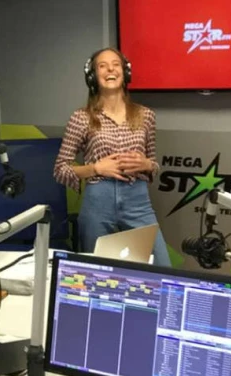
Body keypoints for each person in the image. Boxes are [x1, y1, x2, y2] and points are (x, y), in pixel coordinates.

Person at [53, 47, 170, 267]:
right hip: (98, 199)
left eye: (116, 64)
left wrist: (146, 164)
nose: (110, 70)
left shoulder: (146, 116)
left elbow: (154, 165)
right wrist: (95, 168)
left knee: (162, 267)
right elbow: (60, 169)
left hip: (137, 199)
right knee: (95, 270)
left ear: (125, 73)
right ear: (93, 76)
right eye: (102, 66)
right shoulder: (81, 118)